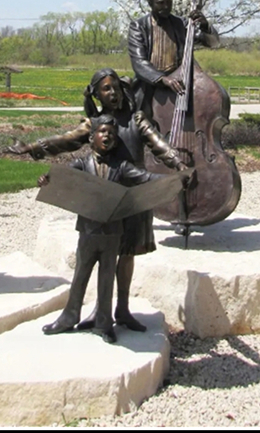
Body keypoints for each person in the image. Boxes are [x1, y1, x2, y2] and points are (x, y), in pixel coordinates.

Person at [6, 67, 189, 331]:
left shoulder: (136, 119)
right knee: (103, 254)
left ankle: (122, 309)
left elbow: (159, 144)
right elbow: (65, 140)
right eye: (106, 89)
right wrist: (32, 147)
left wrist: (178, 164)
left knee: (127, 253)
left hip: (134, 195)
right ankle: (100, 311)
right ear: (96, 95)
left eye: (115, 87)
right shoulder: (94, 124)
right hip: (104, 198)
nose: (113, 93)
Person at [40, 114, 175, 344]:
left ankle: (104, 322)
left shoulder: (121, 166)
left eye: (111, 134)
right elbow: (62, 176)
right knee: (80, 275)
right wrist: (47, 179)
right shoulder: (82, 164)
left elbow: (144, 177)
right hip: (88, 231)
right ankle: (69, 316)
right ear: (91, 137)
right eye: (102, 132)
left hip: (113, 233)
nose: (107, 136)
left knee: (106, 278)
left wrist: (172, 181)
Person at [127, 0, 220, 115]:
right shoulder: (139, 27)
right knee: (141, 120)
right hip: (149, 87)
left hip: (179, 86)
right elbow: (139, 62)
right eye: (161, 3)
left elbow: (213, 42)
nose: (166, 6)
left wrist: (205, 25)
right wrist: (163, 79)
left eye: (169, 2)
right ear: (150, 3)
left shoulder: (181, 24)